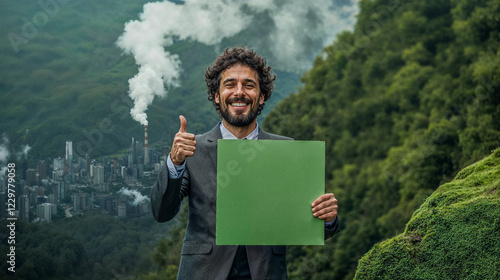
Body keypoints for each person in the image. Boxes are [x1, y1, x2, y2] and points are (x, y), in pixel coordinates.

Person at [151, 46, 339, 280]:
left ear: (261, 97)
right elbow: (161, 212)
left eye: (248, 85)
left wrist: (328, 219)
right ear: (217, 96)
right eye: (230, 84)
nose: (239, 92)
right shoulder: (193, 151)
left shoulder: (285, 151)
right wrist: (174, 162)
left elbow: (306, 223)